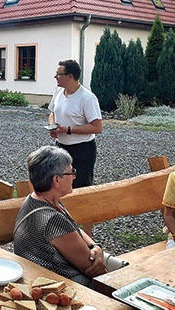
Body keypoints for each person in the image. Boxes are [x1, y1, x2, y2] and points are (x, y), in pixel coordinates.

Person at [14, 145, 106, 287]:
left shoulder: (36, 199)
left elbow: (72, 229)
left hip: (40, 279)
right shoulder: (52, 219)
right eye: (71, 172)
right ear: (57, 180)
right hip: (62, 288)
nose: (75, 176)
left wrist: (95, 246)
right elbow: (91, 268)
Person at [48, 59, 102, 235]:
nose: (55, 76)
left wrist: (69, 130)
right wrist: (53, 126)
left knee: (82, 192)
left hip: (82, 150)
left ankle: (86, 235)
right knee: (58, 187)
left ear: (70, 76)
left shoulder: (87, 98)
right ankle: (64, 229)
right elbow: (52, 112)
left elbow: (97, 127)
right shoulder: (58, 91)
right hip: (61, 148)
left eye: (59, 74)